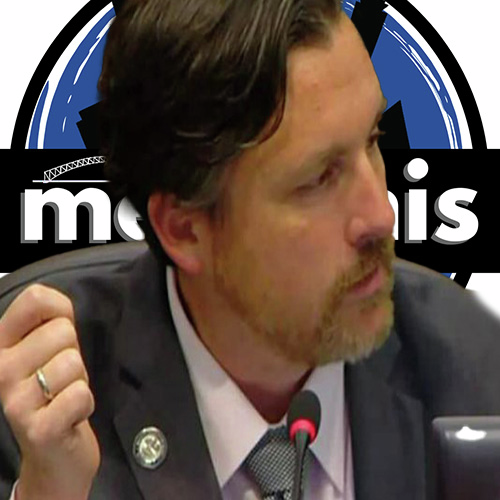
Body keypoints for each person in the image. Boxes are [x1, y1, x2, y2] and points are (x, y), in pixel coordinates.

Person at [0, 0, 499, 499]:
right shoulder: (37, 416)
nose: (381, 217)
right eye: (319, 179)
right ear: (184, 229)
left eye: (373, 140)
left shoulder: (479, 373)